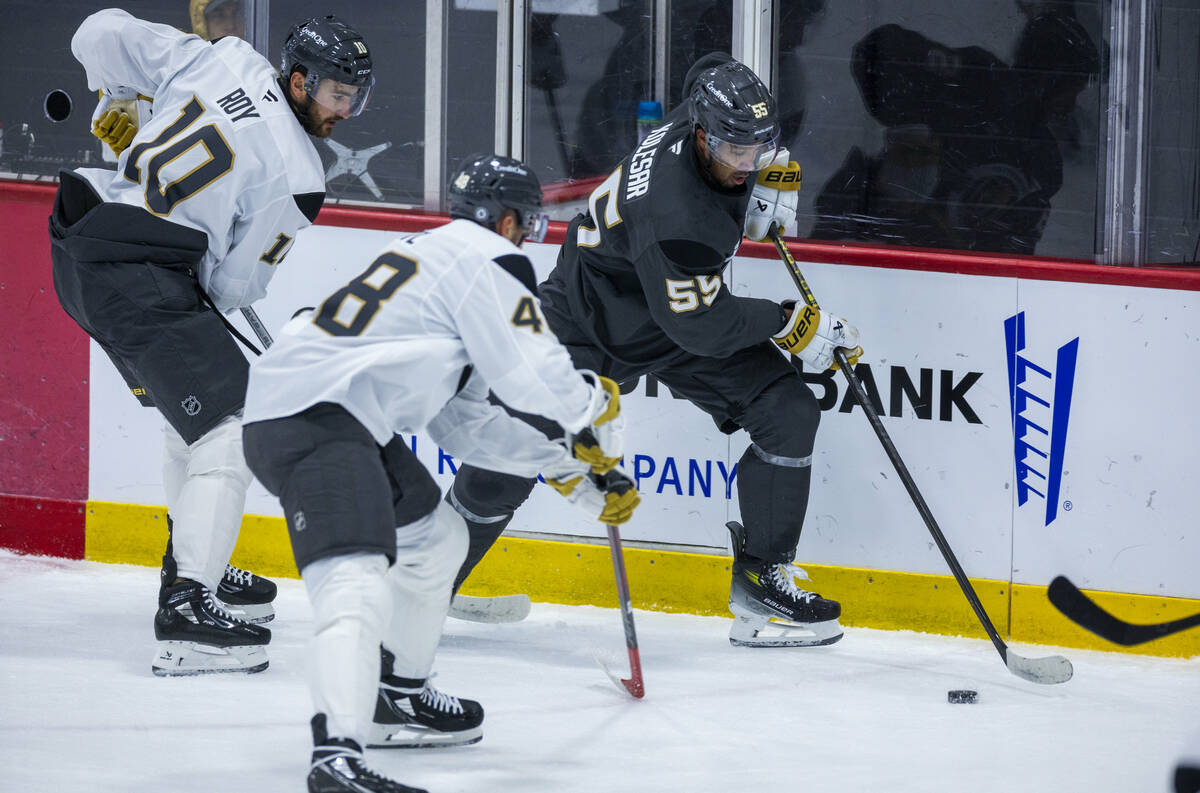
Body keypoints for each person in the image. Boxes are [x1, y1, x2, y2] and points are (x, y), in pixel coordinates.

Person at [240, 153, 638, 793]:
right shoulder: (491, 260)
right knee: (356, 585)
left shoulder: (439, 259)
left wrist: (566, 471)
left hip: (334, 416)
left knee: (438, 538)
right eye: (528, 223)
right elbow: (536, 377)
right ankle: (335, 758)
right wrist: (596, 405)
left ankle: (398, 693)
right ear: (508, 221)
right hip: (315, 417)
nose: (530, 235)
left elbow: (462, 422)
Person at [447, 53, 863, 648]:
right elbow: (703, 327)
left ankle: (761, 586)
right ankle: (419, 587)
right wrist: (790, 324)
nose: (745, 164)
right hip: (583, 322)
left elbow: (711, 64)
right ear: (702, 136)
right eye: (735, 153)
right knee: (511, 455)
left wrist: (768, 171)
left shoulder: (705, 107)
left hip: (664, 315)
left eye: (756, 147)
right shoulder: (677, 215)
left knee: (787, 410)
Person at [48, 9, 374, 676]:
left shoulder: (225, 57)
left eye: (356, 98)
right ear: (303, 82)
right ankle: (188, 605)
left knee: (190, 421)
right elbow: (228, 286)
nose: (347, 111)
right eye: (340, 95)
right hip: (137, 274)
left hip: (81, 239)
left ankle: (200, 562)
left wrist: (121, 101)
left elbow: (97, 30)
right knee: (229, 424)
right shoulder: (301, 176)